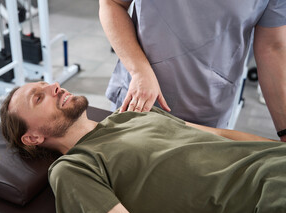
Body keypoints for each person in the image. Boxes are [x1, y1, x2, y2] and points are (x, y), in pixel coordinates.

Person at [0, 81, 286, 213]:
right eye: (39, 98)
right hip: (267, 207)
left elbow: (221, 134)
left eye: (47, 84)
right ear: (32, 137)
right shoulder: (72, 169)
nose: (54, 87)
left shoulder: (133, 114)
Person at [99, 0, 286, 140]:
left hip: (207, 109)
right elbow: (111, 3)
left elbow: (272, 48)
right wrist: (139, 70)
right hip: (140, 99)